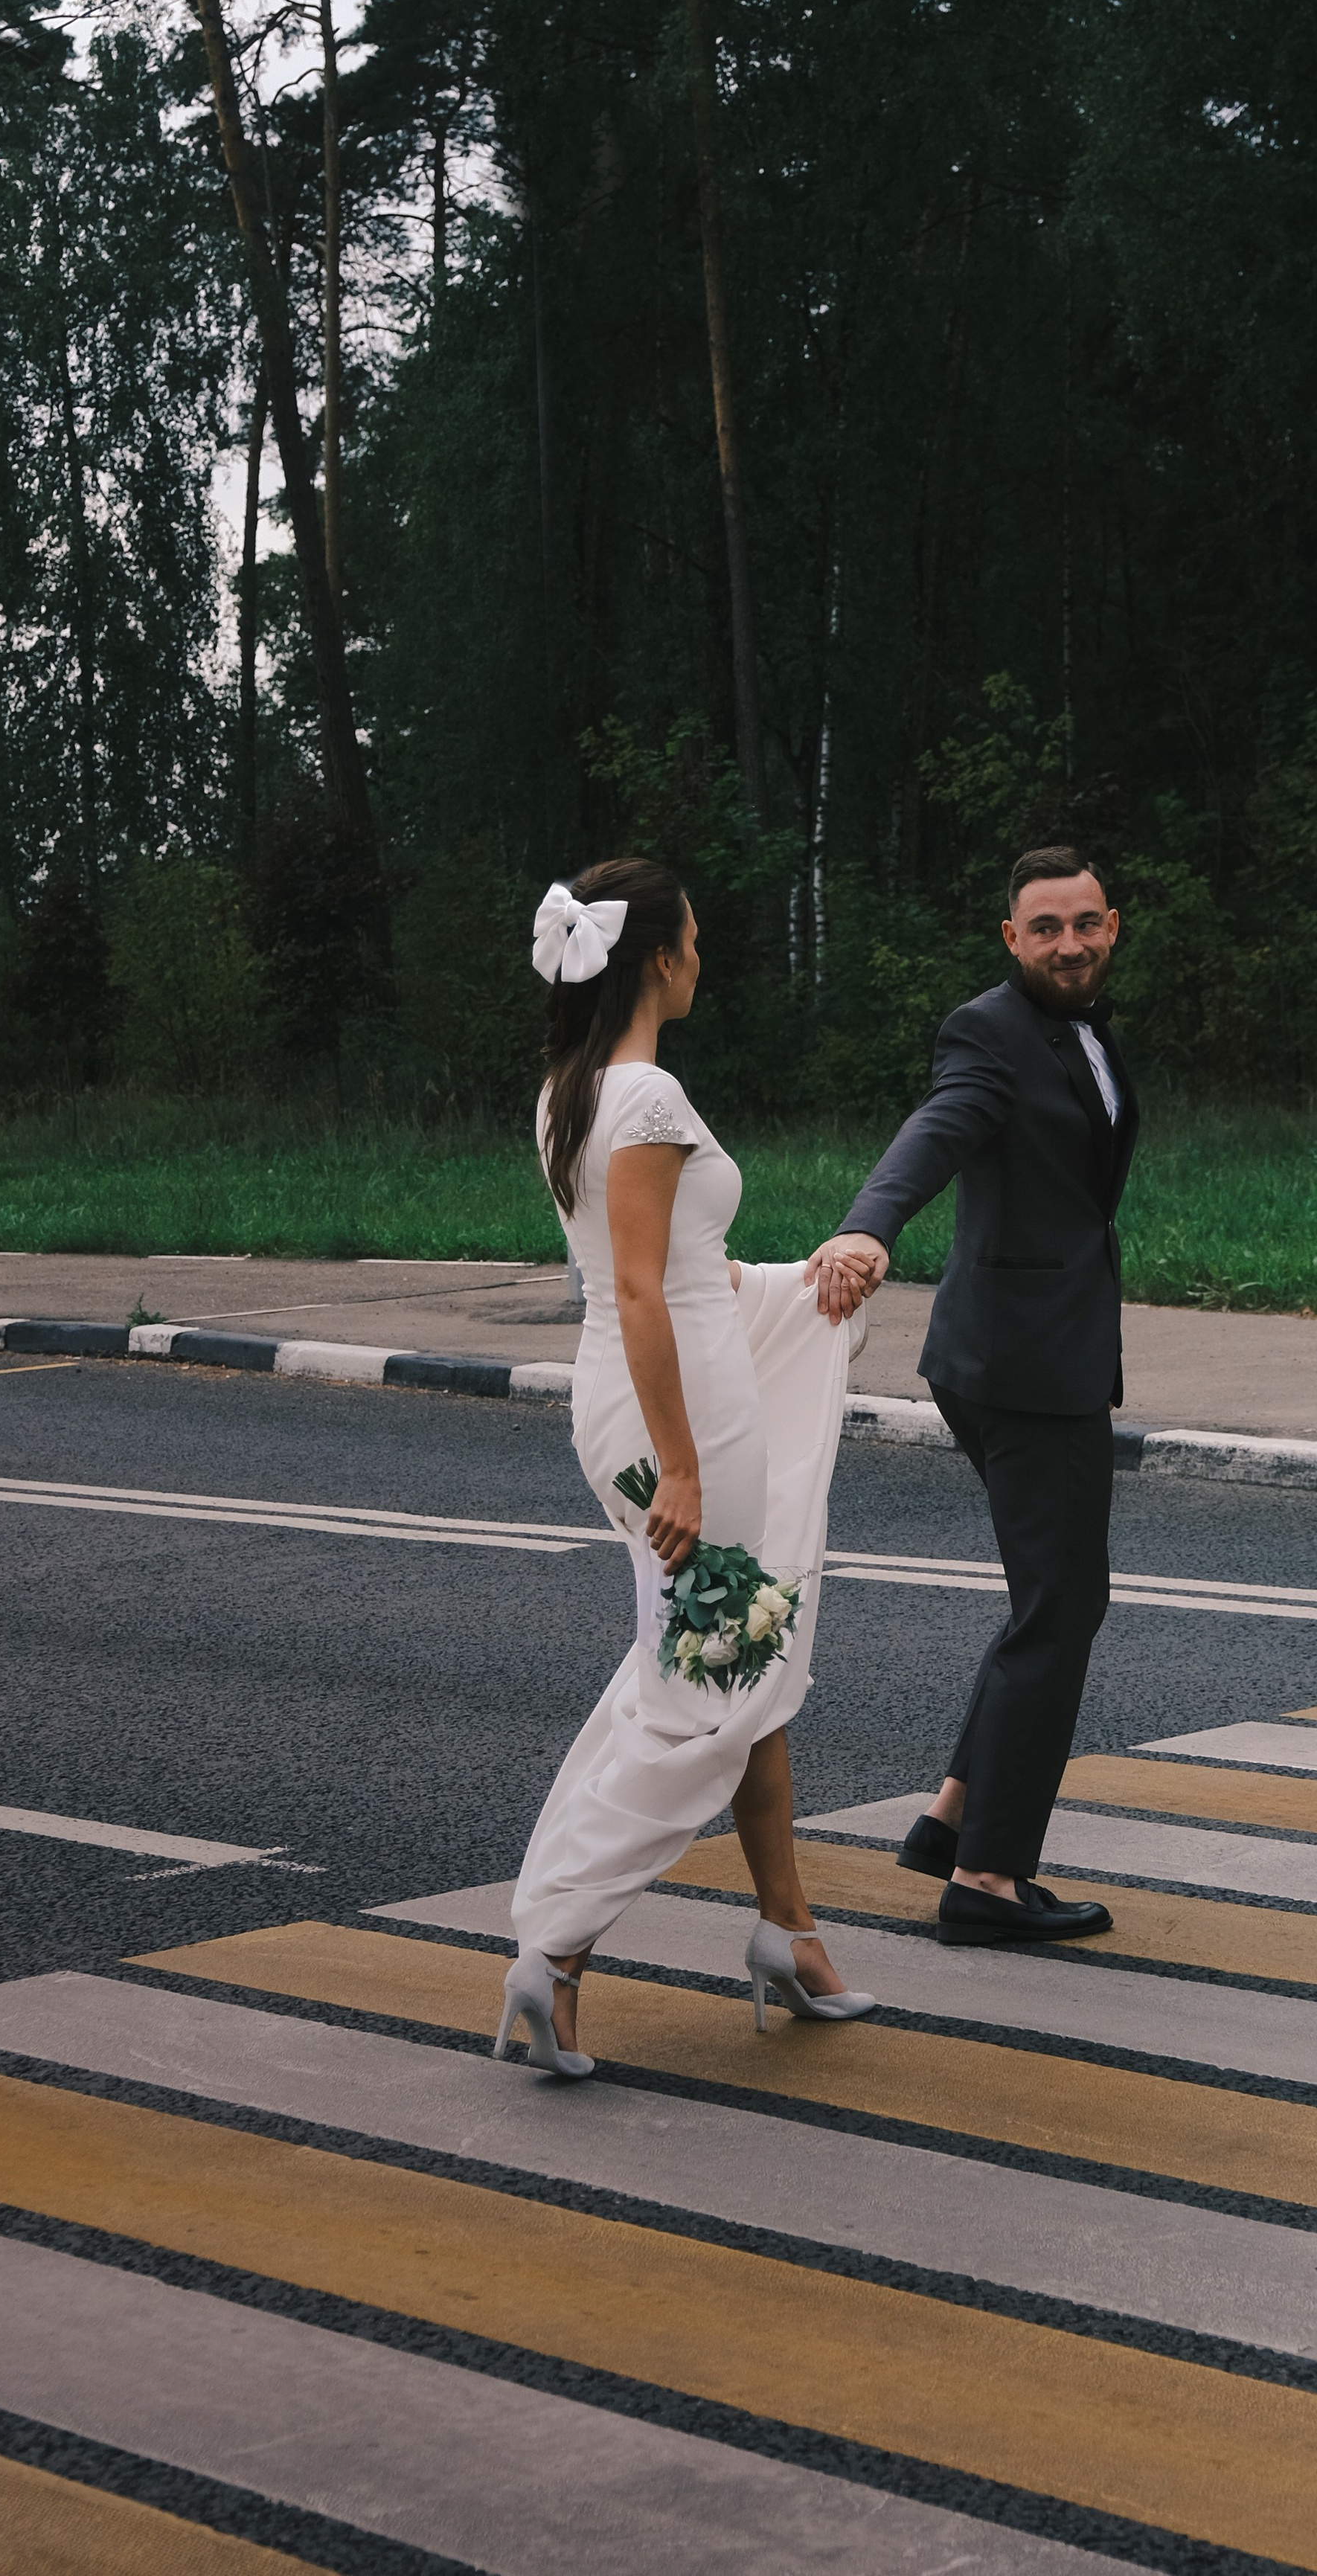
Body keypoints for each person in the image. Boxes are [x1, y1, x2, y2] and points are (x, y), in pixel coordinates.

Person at [498, 858, 874, 2075]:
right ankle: (553, 1955)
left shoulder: (569, 1092)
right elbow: (647, 1290)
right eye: (697, 942)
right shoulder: (647, 1096)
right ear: (658, 957)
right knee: (703, 1699)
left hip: (652, 1399)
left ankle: (791, 1933)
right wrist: (683, 1468)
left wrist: (801, 1292)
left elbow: (675, 1278)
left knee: (736, 1664)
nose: (705, 960)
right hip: (683, 1423)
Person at [804, 845, 1138, 1947]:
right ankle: (989, 1880)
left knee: (1051, 1602)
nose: (1070, 944)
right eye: (1046, 928)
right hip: (1025, 1369)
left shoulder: (1076, 1028)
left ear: (1113, 927)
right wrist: (869, 1223)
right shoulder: (989, 1030)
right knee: (1060, 1612)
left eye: (1085, 923)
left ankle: (955, 1817)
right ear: (1012, 939)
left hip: (1028, 1351)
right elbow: (936, 1132)